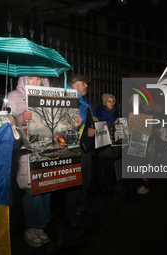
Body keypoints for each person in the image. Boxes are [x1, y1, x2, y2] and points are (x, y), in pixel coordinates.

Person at [6, 76, 51, 247]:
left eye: (38, 79)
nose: (35, 82)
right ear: (24, 79)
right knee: (31, 192)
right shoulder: (13, 95)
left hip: (46, 152)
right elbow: (7, 124)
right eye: (31, 78)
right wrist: (21, 117)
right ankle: (30, 228)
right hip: (26, 154)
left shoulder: (48, 97)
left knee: (46, 189)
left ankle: (40, 226)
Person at [64, 74, 98, 228]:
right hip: (73, 148)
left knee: (86, 178)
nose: (86, 86)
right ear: (74, 85)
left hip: (85, 147)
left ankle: (81, 207)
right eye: (83, 83)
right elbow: (65, 126)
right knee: (74, 182)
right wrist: (86, 133)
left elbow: (90, 121)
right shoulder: (68, 100)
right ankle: (70, 215)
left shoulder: (82, 102)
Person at [95, 93, 120, 197]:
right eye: (109, 101)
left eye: (113, 101)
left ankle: (109, 186)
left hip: (112, 145)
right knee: (102, 169)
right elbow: (96, 124)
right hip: (103, 145)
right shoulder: (99, 113)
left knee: (110, 167)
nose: (111, 103)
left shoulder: (116, 113)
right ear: (105, 103)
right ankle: (101, 189)